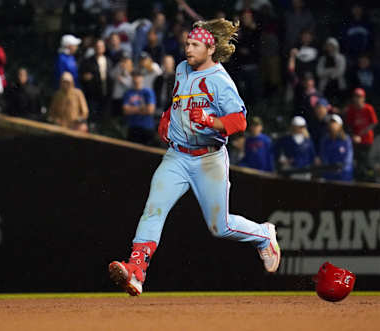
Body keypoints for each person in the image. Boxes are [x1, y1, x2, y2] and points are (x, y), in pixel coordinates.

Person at [109, 18, 281, 296]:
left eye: (195, 44)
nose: (188, 48)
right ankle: (136, 270)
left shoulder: (220, 81)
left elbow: (239, 122)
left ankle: (263, 235)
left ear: (210, 49)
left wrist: (212, 121)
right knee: (154, 209)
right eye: (187, 43)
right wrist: (168, 118)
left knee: (220, 226)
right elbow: (179, 102)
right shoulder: (181, 69)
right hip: (177, 156)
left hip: (208, 159)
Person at [345, 88, 378, 180]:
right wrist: (353, 136)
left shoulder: (369, 108)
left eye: (360, 97)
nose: (357, 99)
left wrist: (362, 133)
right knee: (358, 162)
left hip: (368, 140)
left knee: (367, 160)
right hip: (356, 140)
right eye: (356, 96)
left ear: (363, 98)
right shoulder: (351, 109)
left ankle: (368, 179)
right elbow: (348, 125)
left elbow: (374, 123)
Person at [79, 38, 113, 124]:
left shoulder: (108, 61)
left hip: (106, 93)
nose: (99, 48)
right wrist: (85, 77)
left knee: (104, 117)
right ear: (94, 48)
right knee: (93, 116)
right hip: (93, 95)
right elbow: (82, 75)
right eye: (97, 46)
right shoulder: (88, 61)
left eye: (101, 46)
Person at [122, 70, 156, 145]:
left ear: (142, 78)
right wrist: (142, 108)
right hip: (133, 127)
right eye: (134, 77)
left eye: (138, 77)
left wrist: (132, 109)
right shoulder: (128, 93)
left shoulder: (148, 92)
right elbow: (125, 110)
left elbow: (150, 110)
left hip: (147, 127)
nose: (136, 79)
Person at [319, 114, 353, 182]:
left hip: (344, 175)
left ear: (340, 125)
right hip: (329, 174)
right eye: (330, 122)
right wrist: (329, 168)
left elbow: (348, 157)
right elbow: (323, 156)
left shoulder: (346, 139)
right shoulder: (325, 140)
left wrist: (341, 169)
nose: (332, 125)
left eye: (334, 122)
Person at [316, 37, 347, 102]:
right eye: (328, 46)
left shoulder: (341, 58)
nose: (330, 48)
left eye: (331, 46)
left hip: (338, 86)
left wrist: (328, 73)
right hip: (325, 87)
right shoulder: (322, 59)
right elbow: (319, 72)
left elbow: (340, 71)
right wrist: (332, 70)